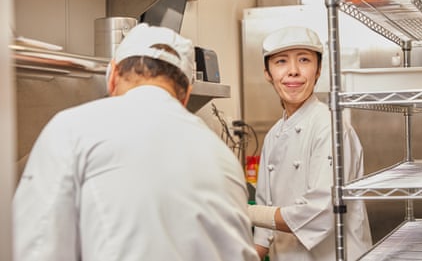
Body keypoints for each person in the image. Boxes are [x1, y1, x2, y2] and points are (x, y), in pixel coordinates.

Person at [13, 23, 260, 261]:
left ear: (112, 76)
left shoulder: (70, 129)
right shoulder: (223, 157)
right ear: (185, 94)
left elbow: (35, 248)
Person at [247, 26, 372, 261]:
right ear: (267, 73)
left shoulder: (330, 126)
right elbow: (265, 216)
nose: (293, 72)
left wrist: (243, 211)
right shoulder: (273, 135)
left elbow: (320, 211)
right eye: (281, 62)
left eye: (304, 60)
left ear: (318, 70)